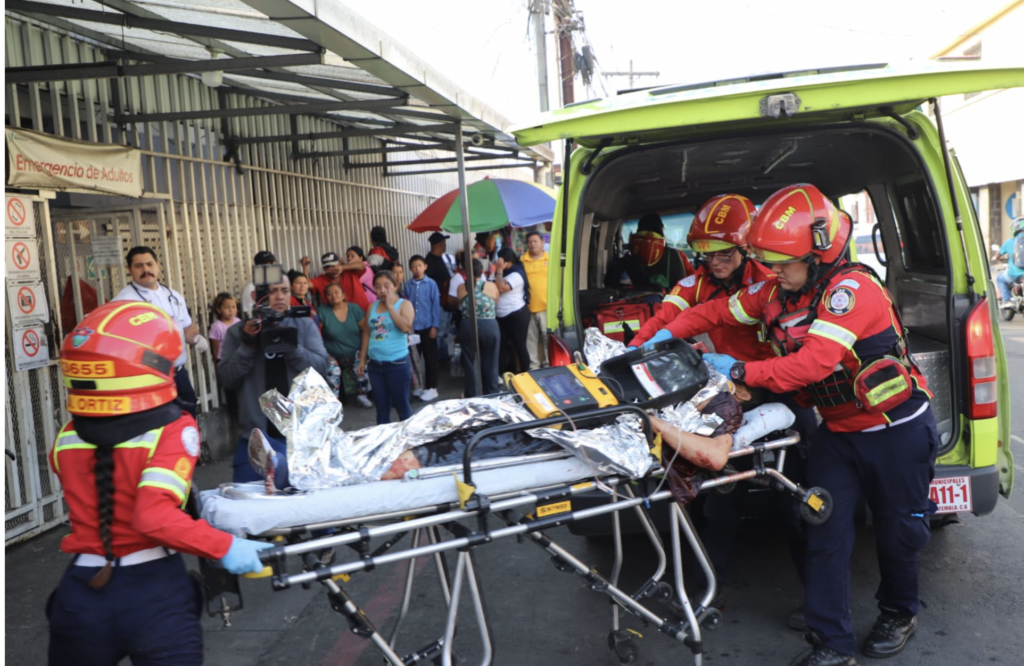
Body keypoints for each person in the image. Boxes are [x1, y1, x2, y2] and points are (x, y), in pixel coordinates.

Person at [654, 183, 938, 666]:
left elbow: (810, 366)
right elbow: (715, 310)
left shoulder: (853, 292)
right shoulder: (774, 290)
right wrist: (654, 339)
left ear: (820, 253)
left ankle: (899, 612)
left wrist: (739, 370)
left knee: (898, 532)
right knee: (823, 530)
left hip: (896, 432)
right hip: (837, 435)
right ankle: (832, 644)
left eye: (784, 261)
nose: (775, 270)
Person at [46, 301, 270, 666]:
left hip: (81, 594)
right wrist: (224, 546)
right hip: (153, 594)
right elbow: (153, 517)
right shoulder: (174, 429)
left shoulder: (67, 436)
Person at [217, 272, 330, 482]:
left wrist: (292, 347)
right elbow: (227, 379)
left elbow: (322, 367)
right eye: (272, 291)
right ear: (255, 295)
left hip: (299, 436)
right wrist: (248, 345)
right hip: (256, 438)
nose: (279, 297)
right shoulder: (238, 332)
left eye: (285, 291)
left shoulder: (304, 326)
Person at [112, 246, 208, 418]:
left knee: (189, 416)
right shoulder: (124, 301)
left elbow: (186, 327)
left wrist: (197, 337)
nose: (146, 270)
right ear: (129, 269)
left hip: (178, 373)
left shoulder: (173, 295)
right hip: (149, 378)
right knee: (162, 424)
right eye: (139, 266)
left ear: (157, 265)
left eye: (149, 264)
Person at [361, 271, 415, 424]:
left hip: (397, 364)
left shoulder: (404, 304)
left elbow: (406, 327)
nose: (382, 290)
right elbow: (366, 332)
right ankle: (384, 444)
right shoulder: (372, 306)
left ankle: (409, 443)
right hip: (375, 365)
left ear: (396, 287)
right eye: (378, 287)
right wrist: (362, 359)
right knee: (382, 409)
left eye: (387, 286)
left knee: (402, 406)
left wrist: (391, 307)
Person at [317, 283, 372, 409]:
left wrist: (363, 357)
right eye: (329, 294)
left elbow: (365, 331)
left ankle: (362, 395)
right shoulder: (322, 311)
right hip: (333, 352)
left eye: (336, 292)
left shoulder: (354, 309)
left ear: (343, 295)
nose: (333, 296)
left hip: (355, 350)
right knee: (333, 372)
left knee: (361, 369)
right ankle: (333, 402)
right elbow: (317, 334)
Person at [457, 259, 501, 397]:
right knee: (491, 362)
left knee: (470, 363)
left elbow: (458, 304)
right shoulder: (491, 286)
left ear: (465, 272)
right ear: (482, 271)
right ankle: (492, 393)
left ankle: (472, 394)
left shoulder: (461, 288)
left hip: (468, 326)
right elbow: (496, 301)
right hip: (489, 326)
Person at [404, 255, 442, 402]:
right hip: (414, 328)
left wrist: (435, 326)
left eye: (420, 265)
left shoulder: (431, 284)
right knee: (414, 359)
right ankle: (418, 387)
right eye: (414, 266)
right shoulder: (408, 285)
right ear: (410, 268)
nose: (417, 269)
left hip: (428, 326)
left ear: (425, 266)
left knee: (430, 358)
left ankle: (432, 387)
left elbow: (435, 306)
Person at [494, 247, 532, 374]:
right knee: (501, 346)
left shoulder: (516, 273)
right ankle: (501, 373)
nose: (498, 264)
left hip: (516, 315)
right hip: (501, 315)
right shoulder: (502, 272)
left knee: (519, 345)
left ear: (508, 262)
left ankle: (526, 373)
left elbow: (501, 288)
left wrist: (499, 270)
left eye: (501, 262)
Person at [424, 232, 457, 365]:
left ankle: (443, 356)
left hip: (444, 300)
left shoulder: (440, 259)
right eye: (443, 243)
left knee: (445, 330)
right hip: (437, 301)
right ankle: (439, 358)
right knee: (440, 330)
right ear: (437, 245)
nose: (445, 245)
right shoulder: (430, 261)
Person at [520, 230, 550, 369]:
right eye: (530, 242)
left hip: (547, 306)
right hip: (529, 307)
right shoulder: (521, 261)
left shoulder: (551, 259)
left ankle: (549, 364)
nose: (532, 244)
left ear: (542, 243)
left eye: (535, 241)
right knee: (531, 340)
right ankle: (534, 366)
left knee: (547, 337)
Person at [996, 218, 1024, 309]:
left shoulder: (1009, 242)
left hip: (1014, 274)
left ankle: (1006, 300)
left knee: (1000, 278)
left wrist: (998, 258)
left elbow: (997, 255)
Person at [242, 250, 277, 318]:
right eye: (269, 264)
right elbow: (250, 315)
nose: (272, 267)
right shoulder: (251, 288)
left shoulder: (277, 284)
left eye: (274, 263)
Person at [209, 292, 240, 363]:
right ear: (219, 310)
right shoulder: (216, 326)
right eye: (227, 307)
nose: (231, 310)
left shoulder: (238, 322)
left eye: (233, 307)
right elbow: (215, 349)